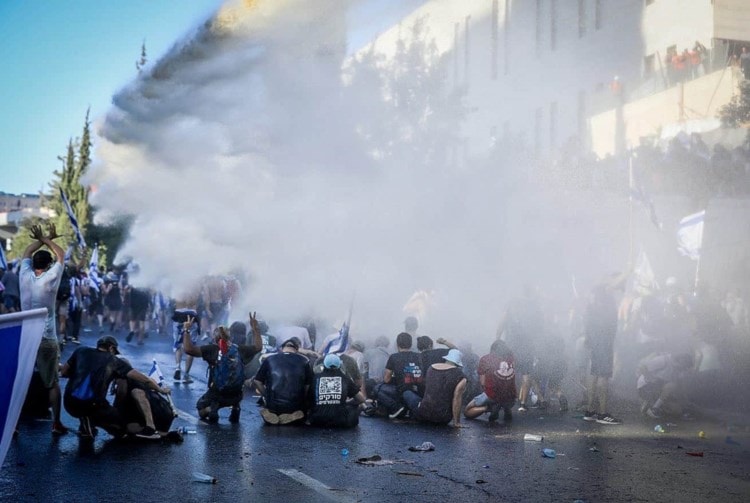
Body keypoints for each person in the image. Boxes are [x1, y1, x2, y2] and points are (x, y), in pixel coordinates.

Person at [61, 335, 171, 439]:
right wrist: (160, 389)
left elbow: (64, 372)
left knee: (82, 398)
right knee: (122, 428)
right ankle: (162, 434)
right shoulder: (114, 361)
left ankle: (87, 422)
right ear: (111, 348)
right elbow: (144, 379)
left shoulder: (81, 350)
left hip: (69, 403)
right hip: (93, 406)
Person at [19, 223, 69, 435]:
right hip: (46, 338)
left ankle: (13, 425)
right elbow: (61, 255)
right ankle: (56, 423)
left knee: (19, 381)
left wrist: (40, 239)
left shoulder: (24, 275)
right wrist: (50, 239)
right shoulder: (50, 279)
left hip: (25, 337)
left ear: (33, 264)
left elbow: (26, 252)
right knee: (52, 383)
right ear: (48, 266)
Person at [183, 313, 263, 423]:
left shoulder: (212, 349)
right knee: (237, 383)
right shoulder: (239, 349)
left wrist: (187, 330)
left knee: (200, 409)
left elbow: (188, 349)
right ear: (230, 337)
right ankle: (236, 407)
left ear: (215, 338)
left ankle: (212, 408)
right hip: (236, 394)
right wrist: (256, 329)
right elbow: (258, 347)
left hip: (218, 394)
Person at [583, 277, 625, 425]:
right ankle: (603, 414)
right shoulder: (607, 308)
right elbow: (612, 327)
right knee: (603, 377)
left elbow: (587, 326)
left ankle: (589, 411)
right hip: (604, 344)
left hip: (595, 343)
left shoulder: (592, 306)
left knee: (594, 374)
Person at [253, 337, 313, 425]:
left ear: (281, 349)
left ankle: (271, 413)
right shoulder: (305, 361)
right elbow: (308, 386)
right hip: (295, 406)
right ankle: (295, 415)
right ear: (296, 350)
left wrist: (266, 396)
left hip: (273, 405)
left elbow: (257, 381)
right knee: (302, 410)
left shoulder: (269, 359)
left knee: (270, 406)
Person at [403, 349, 466, 427]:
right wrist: (457, 422)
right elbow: (457, 399)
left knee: (407, 393)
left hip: (423, 413)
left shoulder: (431, 368)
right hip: (443, 418)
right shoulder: (460, 376)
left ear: (446, 358)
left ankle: (408, 414)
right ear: (458, 363)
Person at [307, 354, 368, 428]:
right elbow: (362, 399)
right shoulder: (345, 378)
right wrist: (348, 402)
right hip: (340, 422)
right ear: (340, 365)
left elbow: (309, 399)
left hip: (317, 421)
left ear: (324, 365)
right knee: (357, 406)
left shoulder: (315, 378)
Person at [464, 340, 517, 423]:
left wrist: (486, 394)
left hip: (493, 395)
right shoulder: (511, 358)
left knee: (467, 411)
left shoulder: (485, 359)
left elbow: (482, 382)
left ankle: (489, 408)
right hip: (511, 396)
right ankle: (506, 408)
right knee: (505, 397)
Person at [373, 332, 423, 419]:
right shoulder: (419, 356)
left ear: (397, 344)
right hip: (418, 391)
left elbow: (386, 379)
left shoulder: (394, 357)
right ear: (411, 344)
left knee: (377, 388)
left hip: (402, 391)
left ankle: (396, 407)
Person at [637, 353, 695, 419]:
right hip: (646, 386)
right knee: (672, 385)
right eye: (685, 365)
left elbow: (680, 389)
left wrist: (685, 403)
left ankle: (650, 407)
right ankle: (654, 408)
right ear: (681, 360)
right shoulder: (663, 360)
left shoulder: (679, 369)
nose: (684, 368)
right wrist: (651, 379)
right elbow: (643, 367)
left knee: (677, 410)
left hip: (660, 390)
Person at [171, 292, 201, 383]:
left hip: (178, 314)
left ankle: (177, 367)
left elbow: (173, 300)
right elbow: (196, 301)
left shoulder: (178, 287)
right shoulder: (195, 287)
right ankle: (186, 375)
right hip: (191, 315)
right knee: (191, 346)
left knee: (178, 344)